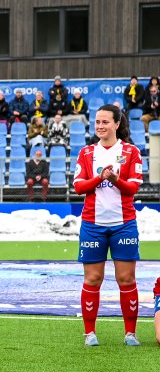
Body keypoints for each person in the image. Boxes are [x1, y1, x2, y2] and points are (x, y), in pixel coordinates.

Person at [72, 104, 143, 347]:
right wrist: (99, 178)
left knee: (126, 279)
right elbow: (79, 187)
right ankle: (90, 333)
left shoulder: (131, 151)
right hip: (93, 224)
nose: (100, 126)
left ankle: (130, 333)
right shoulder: (86, 153)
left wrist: (115, 179)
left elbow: (133, 188)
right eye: (97, 122)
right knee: (92, 279)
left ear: (116, 124)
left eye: (105, 122)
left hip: (124, 224)